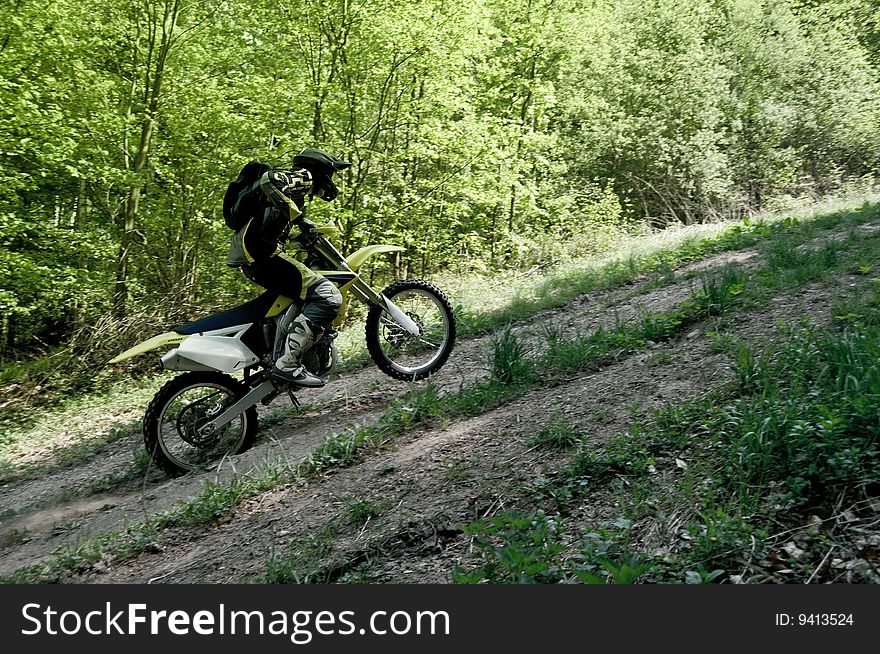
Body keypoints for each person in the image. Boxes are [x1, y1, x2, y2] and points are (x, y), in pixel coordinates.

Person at [226, 147, 350, 387]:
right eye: (331, 173)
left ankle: (282, 353)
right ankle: (287, 363)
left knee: (301, 294)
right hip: (261, 254)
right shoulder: (305, 176)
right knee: (328, 297)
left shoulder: (296, 192)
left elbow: (271, 220)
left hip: (254, 254)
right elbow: (268, 180)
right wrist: (301, 220)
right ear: (322, 169)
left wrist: (300, 232)